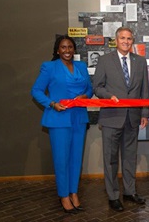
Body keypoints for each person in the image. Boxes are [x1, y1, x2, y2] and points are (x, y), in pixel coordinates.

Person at [31, 35, 93, 214]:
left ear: (74, 50)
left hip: (79, 118)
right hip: (59, 119)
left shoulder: (81, 66)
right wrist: (51, 103)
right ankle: (63, 196)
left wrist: (85, 96)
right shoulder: (49, 67)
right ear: (57, 50)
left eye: (70, 47)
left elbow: (89, 88)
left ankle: (74, 193)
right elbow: (35, 90)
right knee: (61, 160)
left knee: (75, 159)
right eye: (63, 47)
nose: (67, 51)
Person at [93, 27, 149, 212]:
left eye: (129, 38)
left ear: (132, 41)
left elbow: (144, 90)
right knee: (110, 159)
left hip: (132, 117)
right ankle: (113, 196)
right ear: (116, 40)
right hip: (111, 117)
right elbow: (97, 87)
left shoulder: (140, 62)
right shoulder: (104, 60)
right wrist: (108, 96)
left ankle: (129, 192)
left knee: (130, 158)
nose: (126, 41)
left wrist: (145, 113)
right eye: (123, 38)